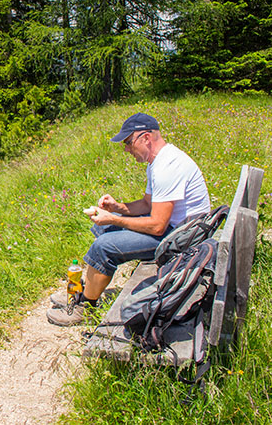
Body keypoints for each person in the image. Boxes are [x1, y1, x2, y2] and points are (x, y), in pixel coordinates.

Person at [46, 112, 210, 326]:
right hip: (177, 229)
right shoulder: (157, 162)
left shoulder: (168, 167)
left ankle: (86, 307)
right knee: (103, 230)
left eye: (128, 142)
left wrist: (114, 220)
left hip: (182, 240)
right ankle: (89, 289)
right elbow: (147, 204)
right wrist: (117, 208)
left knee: (104, 246)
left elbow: (158, 226)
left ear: (145, 138)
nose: (126, 149)